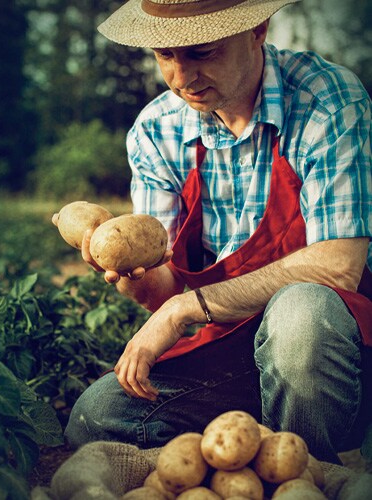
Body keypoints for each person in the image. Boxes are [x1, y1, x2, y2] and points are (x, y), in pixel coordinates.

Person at [61, 0, 372, 464]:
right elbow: (161, 287)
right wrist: (127, 269)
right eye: (166, 55)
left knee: (300, 314)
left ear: (258, 30)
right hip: (229, 345)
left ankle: (309, 471)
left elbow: (337, 267)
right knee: (97, 415)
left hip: (332, 349)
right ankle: (243, 451)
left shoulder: (328, 101)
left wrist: (186, 307)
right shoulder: (154, 131)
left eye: (202, 53)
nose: (182, 78)